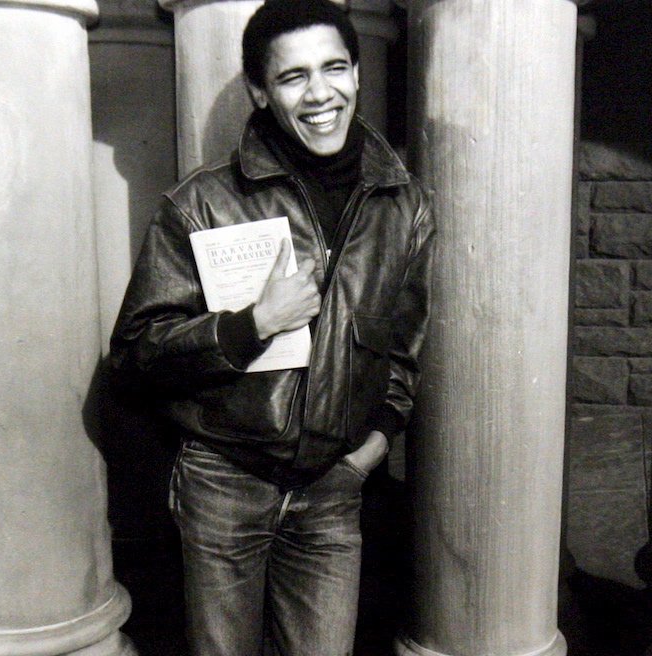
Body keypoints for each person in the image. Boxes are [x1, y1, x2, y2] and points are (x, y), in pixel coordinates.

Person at [109, 0, 435, 653]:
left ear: (357, 75)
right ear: (260, 92)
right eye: (292, 77)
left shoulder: (404, 205)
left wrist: (371, 447)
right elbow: (136, 355)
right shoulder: (202, 202)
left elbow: (403, 348)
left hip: (334, 486)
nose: (320, 93)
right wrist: (250, 325)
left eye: (334, 68)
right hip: (224, 481)